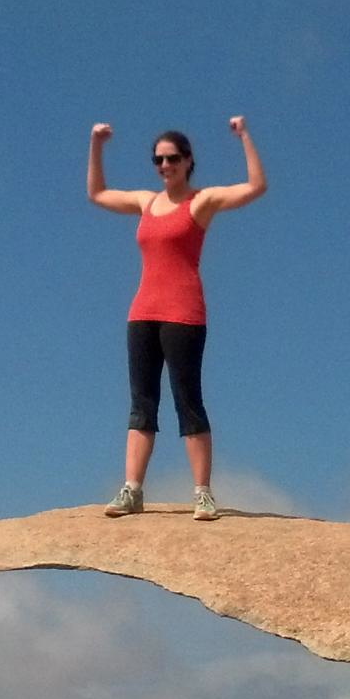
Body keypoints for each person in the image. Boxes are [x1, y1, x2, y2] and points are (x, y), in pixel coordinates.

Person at [86, 115, 266, 521]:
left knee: (189, 402)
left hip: (184, 314)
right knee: (141, 404)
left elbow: (256, 187)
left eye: (171, 159)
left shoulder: (200, 202)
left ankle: (203, 493)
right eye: (158, 160)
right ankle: (132, 489)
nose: (164, 166)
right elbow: (97, 193)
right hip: (142, 313)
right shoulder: (145, 203)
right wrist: (96, 144)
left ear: (187, 162)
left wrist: (245, 136)